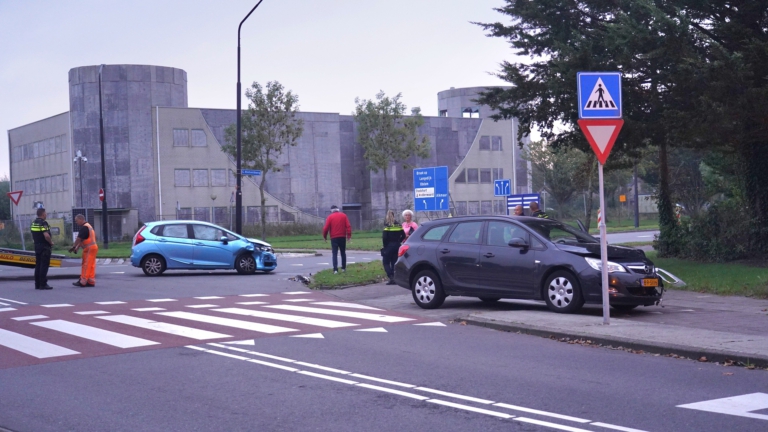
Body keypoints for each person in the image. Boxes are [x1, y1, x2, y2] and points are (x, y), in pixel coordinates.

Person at [69, 214, 98, 287]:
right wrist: (77, 248)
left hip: (88, 248)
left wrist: (74, 246)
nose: (76, 222)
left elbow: (79, 239)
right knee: (91, 265)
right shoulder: (88, 226)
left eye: (76, 221)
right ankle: (91, 281)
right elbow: (82, 239)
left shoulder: (84, 227)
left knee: (86, 265)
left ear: (81, 219)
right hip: (93, 247)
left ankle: (83, 281)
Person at [322, 205, 352, 274]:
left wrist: (325, 236)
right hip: (342, 236)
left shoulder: (330, 217)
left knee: (334, 253)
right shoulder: (344, 216)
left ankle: (335, 269)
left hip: (334, 237)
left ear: (331, 210)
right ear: (338, 210)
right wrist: (349, 236)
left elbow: (326, 228)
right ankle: (343, 268)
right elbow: (348, 226)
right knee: (343, 253)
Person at [30, 208, 54, 290]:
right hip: (44, 246)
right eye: (46, 213)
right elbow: (46, 235)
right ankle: (43, 284)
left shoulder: (34, 223)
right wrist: (51, 242)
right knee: (44, 265)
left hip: (37, 246)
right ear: (43, 214)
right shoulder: (43, 223)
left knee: (38, 265)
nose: (46, 214)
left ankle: (37, 284)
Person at [381, 210, 405, 285]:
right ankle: (394, 277)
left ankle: (390, 277)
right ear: (394, 216)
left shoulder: (387, 225)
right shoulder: (398, 224)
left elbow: (384, 238)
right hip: (397, 245)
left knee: (386, 262)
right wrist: (399, 241)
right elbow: (403, 235)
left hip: (389, 246)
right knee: (394, 262)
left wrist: (385, 247)